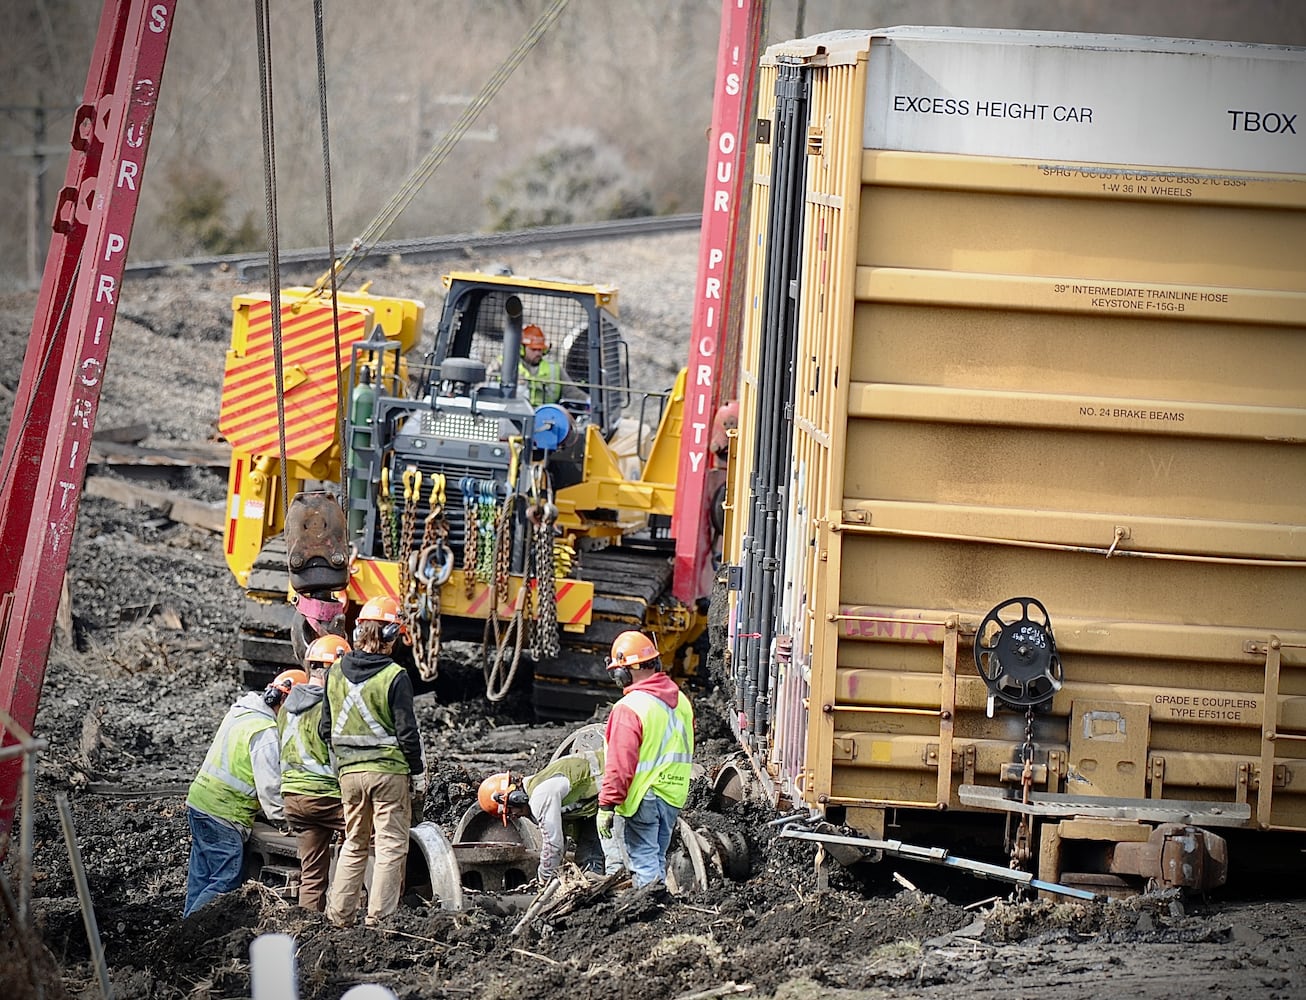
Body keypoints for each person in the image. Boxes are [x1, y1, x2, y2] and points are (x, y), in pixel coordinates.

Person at [321, 596, 427, 928]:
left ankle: (339, 917)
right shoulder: (395, 676)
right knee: (390, 846)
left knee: (353, 843)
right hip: (388, 773)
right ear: (391, 635)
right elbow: (407, 732)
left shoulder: (335, 672)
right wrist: (418, 772)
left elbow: (325, 727)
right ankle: (379, 921)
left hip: (349, 774)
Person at [183, 669, 305, 917]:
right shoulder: (266, 733)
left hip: (199, 802)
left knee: (202, 877)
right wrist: (287, 822)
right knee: (225, 882)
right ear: (287, 703)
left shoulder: (241, 713)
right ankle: (188, 933)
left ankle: (184, 931)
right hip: (225, 812)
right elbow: (270, 789)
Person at [596, 630, 694, 889]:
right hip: (672, 794)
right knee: (656, 856)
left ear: (623, 673)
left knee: (643, 860)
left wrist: (607, 806)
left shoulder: (630, 707)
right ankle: (660, 909)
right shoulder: (681, 702)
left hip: (644, 795)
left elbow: (620, 764)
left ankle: (650, 914)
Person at [278, 633, 350, 912]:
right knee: (368, 844)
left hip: (293, 799)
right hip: (325, 798)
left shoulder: (287, 707)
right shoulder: (329, 706)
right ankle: (355, 918)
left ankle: (307, 925)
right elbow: (336, 756)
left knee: (311, 874)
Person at [478, 751, 624, 883]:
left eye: (510, 811)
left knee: (615, 864)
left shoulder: (540, 796)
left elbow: (554, 845)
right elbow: (562, 839)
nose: (514, 816)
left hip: (618, 782)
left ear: (515, 797)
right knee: (588, 863)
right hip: (596, 805)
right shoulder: (538, 789)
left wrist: (544, 878)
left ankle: (620, 893)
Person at [517, 324, 583, 406]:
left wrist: (589, 400)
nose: (538, 353)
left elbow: (572, 391)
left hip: (547, 415)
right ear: (522, 349)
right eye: (533, 349)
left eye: (540, 349)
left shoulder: (555, 368)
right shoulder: (505, 365)